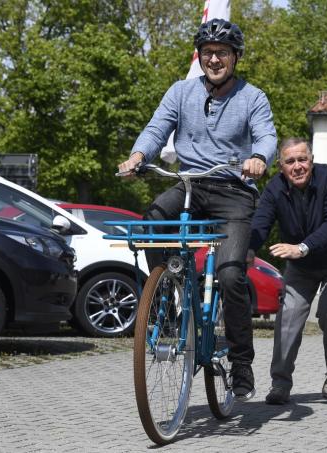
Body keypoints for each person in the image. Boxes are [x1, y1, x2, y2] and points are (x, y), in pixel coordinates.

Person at [118, 19, 277, 399]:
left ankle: (241, 364)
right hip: (190, 183)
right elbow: (157, 129)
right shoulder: (180, 92)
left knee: (231, 274)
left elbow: (266, 134)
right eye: (208, 53)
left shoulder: (252, 97)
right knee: (149, 226)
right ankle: (170, 293)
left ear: (235, 57)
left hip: (233, 189)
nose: (215, 59)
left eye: (222, 53)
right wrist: (138, 156)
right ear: (200, 57)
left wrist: (258, 157)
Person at [248, 137, 327, 404]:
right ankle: (280, 383)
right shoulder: (275, 189)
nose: (297, 166)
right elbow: (261, 222)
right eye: (290, 161)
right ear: (280, 166)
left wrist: (302, 247)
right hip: (302, 267)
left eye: (302, 159)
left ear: (311, 160)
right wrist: (248, 250)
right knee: (287, 318)